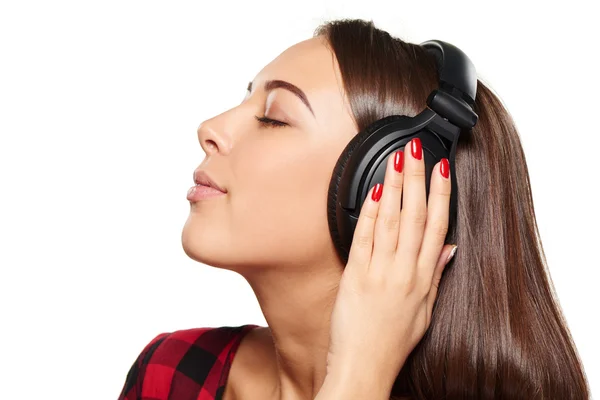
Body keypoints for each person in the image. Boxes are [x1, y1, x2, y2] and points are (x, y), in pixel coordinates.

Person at [117, 18, 590, 400]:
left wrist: (359, 377)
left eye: (273, 118)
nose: (209, 127)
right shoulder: (172, 372)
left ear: (388, 184)